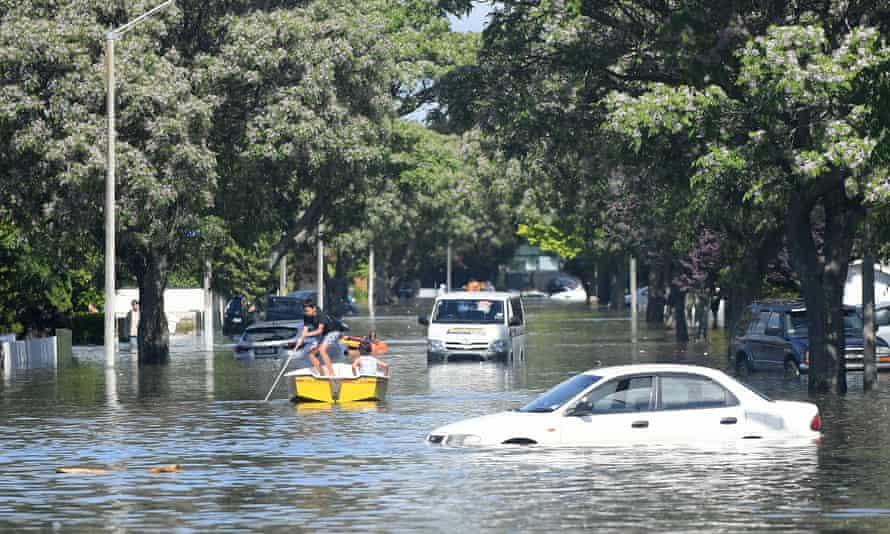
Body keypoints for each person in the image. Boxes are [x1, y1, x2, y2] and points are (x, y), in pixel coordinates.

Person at [297, 300, 335, 376]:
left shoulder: (321, 315)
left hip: (333, 332)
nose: (306, 313)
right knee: (311, 354)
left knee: (322, 350)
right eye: (305, 311)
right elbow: (305, 330)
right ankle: (322, 375)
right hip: (323, 335)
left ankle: (332, 374)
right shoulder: (307, 316)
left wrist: (306, 335)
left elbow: (319, 331)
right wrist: (301, 339)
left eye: (307, 311)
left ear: (314, 308)